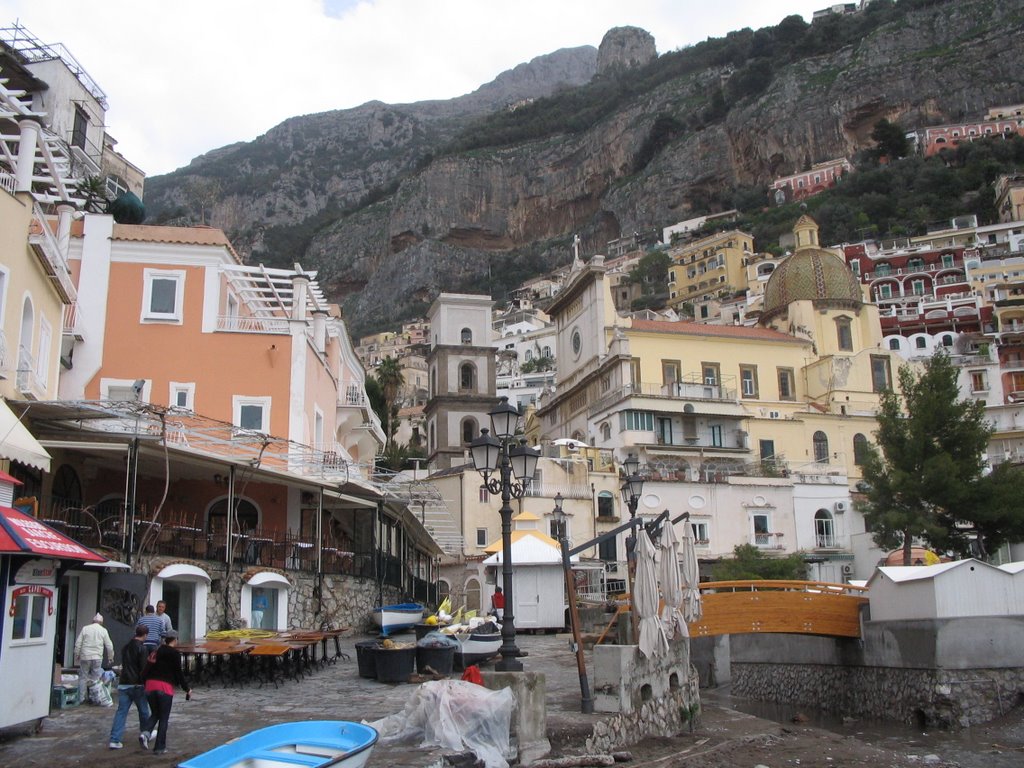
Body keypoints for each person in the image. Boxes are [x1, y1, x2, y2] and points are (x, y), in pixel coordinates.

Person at [141, 630, 192, 756]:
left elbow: (147, 668)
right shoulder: (174, 654)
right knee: (164, 718)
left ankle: (145, 733)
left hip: (150, 685)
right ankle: (159, 747)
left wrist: (144, 682)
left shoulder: (156, 651)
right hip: (164, 687)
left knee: (155, 713)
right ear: (175, 640)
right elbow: (178, 673)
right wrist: (187, 689)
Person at [108, 626, 152, 750]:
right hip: (137, 684)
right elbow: (144, 668)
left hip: (124, 683)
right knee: (143, 711)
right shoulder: (142, 648)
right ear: (145, 635)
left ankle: (115, 739)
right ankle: (145, 734)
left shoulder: (126, 647)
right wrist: (146, 683)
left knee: (121, 712)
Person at [74, 612, 114, 704]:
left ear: (93, 621)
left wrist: (77, 654)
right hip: (97, 657)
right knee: (95, 678)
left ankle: (81, 698)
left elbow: (78, 643)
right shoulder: (103, 630)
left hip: (85, 656)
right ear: (101, 622)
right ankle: (95, 698)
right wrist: (110, 657)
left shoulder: (85, 629)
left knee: (83, 677)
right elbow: (109, 645)